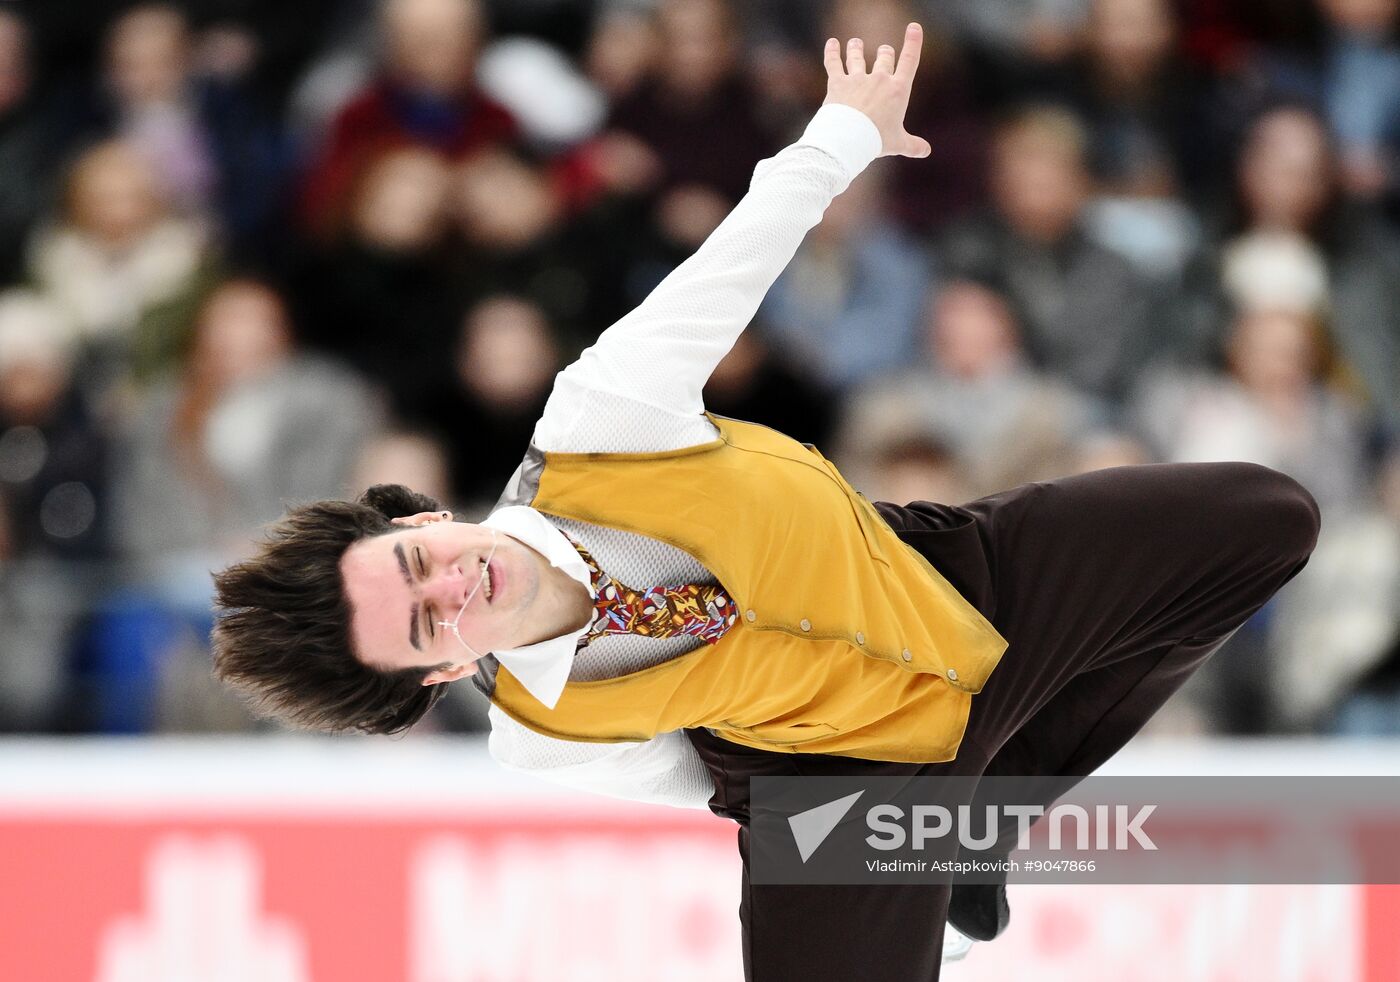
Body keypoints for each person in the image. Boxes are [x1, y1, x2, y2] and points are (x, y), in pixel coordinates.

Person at [210, 25, 1320, 981]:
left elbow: (726, 272)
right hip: (824, 778)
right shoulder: (540, 735)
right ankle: (947, 825)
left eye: (417, 565)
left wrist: (840, 134)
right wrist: (838, 833)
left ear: (416, 522)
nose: (452, 587)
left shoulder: (596, 424)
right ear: (442, 676)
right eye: (426, 626)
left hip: (951, 584)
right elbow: (693, 775)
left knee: (1264, 522)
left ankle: (979, 818)